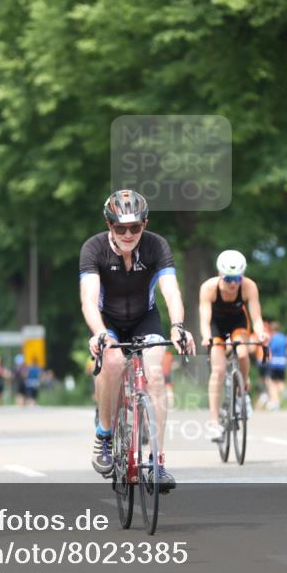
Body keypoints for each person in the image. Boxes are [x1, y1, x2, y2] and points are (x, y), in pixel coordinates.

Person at [80, 189, 194, 491]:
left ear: (145, 224)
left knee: (155, 373)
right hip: (109, 322)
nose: (128, 234)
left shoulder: (157, 246)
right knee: (113, 362)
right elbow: (89, 300)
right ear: (109, 226)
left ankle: (157, 463)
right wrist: (99, 332)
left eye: (134, 227)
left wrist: (178, 326)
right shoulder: (93, 249)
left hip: (146, 317)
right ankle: (104, 436)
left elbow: (171, 291)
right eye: (120, 228)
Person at [199, 249, 269, 440]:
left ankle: (243, 392)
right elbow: (205, 318)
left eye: (236, 279)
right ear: (220, 275)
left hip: (237, 321)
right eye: (228, 279)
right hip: (216, 325)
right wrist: (207, 337)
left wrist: (261, 333)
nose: (232, 284)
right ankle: (213, 422)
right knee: (218, 370)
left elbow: (256, 316)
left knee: (244, 353)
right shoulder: (208, 288)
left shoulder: (249, 287)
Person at [264, 319, 287, 410]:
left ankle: (276, 402)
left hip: (274, 362)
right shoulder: (284, 337)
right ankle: (283, 391)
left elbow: (270, 349)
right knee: (280, 381)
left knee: (272, 383)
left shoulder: (272, 338)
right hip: (283, 361)